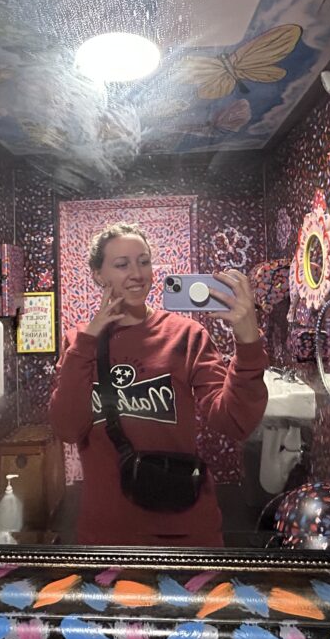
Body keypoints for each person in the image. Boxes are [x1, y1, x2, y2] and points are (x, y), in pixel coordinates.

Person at [49, 222, 269, 546]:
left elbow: (234, 421)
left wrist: (248, 343)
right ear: (98, 274)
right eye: (122, 264)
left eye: (144, 261)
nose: (137, 274)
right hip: (107, 533)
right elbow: (68, 429)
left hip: (185, 528)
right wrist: (87, 342)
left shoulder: (186, 335)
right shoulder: (78, 343)